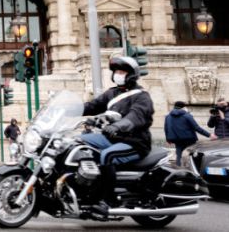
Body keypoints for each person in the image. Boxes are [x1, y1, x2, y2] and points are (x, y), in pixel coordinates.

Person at [81, 56, 155, 213]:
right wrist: (70, 109)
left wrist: (118, 126)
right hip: (112, 138)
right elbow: (93, 106)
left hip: (134, 142)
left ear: (131, 75)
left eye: (122, 72)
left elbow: (135, 116)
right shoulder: (112, 93)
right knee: (79, 142)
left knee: (107, 156)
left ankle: (107, 200)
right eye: (116, 72)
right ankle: (84, 189)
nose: (118, 75)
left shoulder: (142, 96)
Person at [165, 101, 216, 165]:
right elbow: (196, 127)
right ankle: (195, 167)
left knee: (178, 155)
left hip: (177, 139)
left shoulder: (168, 116)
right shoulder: (187, 115)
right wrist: (209, 135)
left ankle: (178, 167)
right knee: (193, 154)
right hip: (189, 139)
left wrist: (168, 139)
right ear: (183, 107)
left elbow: (166, 128)